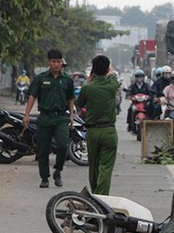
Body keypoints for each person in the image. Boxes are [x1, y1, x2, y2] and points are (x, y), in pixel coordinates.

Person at [23, 48, 75, 188]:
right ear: (49, 62)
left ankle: (58, 171)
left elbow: (70, 98)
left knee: (63, 145)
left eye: (58, 61)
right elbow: (32, 96)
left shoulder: (67, 80)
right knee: (42, 149)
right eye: (53, 61)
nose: (56, 64)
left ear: (61, 62)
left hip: (61, 118)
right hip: (45, 117)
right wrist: (27, 114)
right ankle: (44, 178)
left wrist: (71, 115)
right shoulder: (41, 79)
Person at [76, 55, 120, 196]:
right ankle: (101, 198)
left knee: (93, 167)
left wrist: (90, 80)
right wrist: (109, 71)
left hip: (92, 132)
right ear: (107, 69)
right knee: (106, 168)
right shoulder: (112, 85)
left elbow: (79, 104)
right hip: (109, 131)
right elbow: (112, 75)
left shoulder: (87, 87)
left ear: (93, 70)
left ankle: (95, 197)